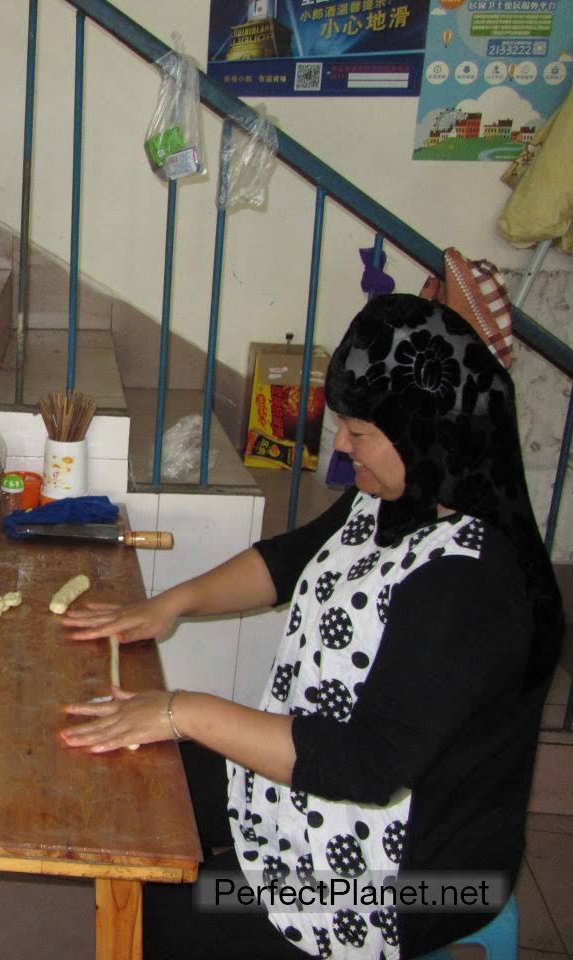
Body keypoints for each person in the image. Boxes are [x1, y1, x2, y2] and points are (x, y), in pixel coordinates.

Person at [60, 293, 561, 960]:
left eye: (360, 434)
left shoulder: (469, 581)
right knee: (140, 787)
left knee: (171, 908)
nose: (343, 449)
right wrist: (170, 603)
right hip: (321, 791)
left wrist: (184, 710)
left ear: (426, 430)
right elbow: (291, 562)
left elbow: (367, 765)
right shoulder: (395, 496)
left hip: (412, 875)